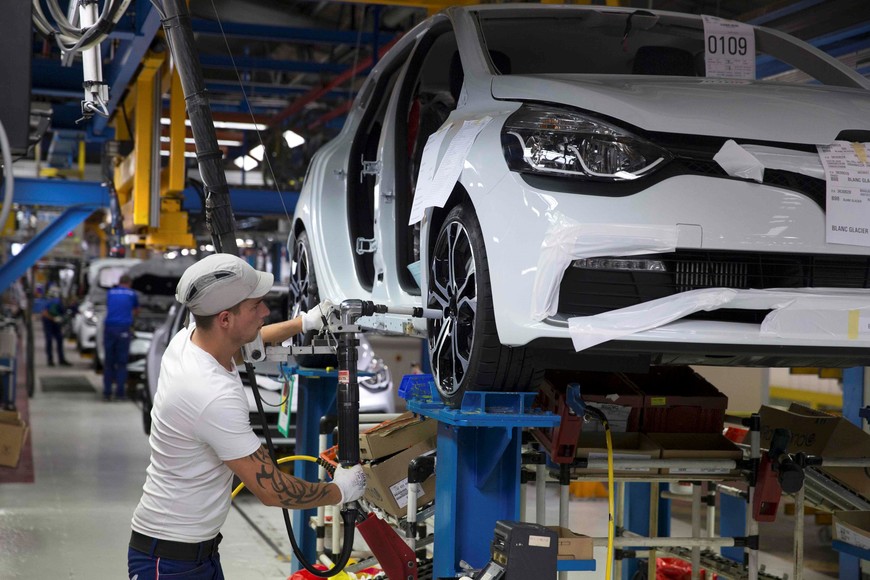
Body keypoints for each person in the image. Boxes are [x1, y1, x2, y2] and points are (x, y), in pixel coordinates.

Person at [128, 253, 366, 580]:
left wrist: (304, 323)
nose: (266, 312)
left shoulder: (189, 341)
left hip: (194, 552)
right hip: (169, 561)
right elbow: (272, 490)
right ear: (225, 319)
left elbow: (243, 346)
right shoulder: (209, 394)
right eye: (256, 306)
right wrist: (340, 491)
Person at [103, 274, 139, 402]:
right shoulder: (132, 294)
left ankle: (107, 393)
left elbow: (110, 307)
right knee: (122, 363)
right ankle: (120, 394)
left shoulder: (110, 293)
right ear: (129, 283)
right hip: (123, 328)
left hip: (109, 328)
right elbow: (135, 311)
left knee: (109, 363)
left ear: (119, 282)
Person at [41, 286, 71, 367]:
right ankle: (50, 360)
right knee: (49, 340)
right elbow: (44, 313)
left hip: (55, 322)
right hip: (48, 322)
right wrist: (53, 318)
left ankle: (61, 359)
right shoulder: (48, 301)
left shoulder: (58, 301)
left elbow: (62, 312)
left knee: (59, 339)